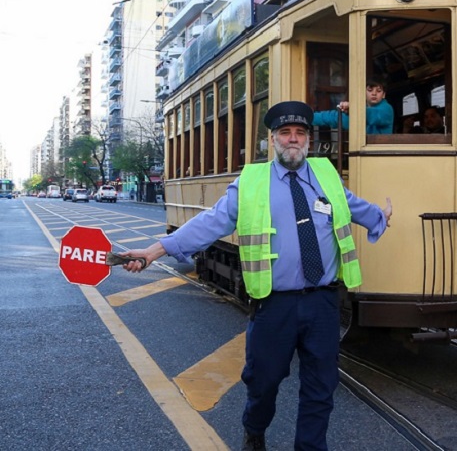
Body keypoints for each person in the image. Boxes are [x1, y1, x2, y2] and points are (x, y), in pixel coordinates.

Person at [119, 101, 393, 451]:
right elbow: (209, 223)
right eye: (285, 133)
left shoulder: (327, 177)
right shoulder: (251, 182)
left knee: (321, 387)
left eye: (299, 133)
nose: (293, 139)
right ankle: (254, 429)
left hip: (323, 302)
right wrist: (153, 251)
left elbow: (354, 207)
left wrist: (380, 217)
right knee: (263, 382)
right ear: (273, 140)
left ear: (308, 139)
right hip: (274, 305)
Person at [312, 78, 393, 134]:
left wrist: (353, 108)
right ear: (363, 92)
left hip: (381, 154)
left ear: (384, 95)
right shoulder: (358, 112)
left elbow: (373, 115)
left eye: (378, 91)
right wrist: (308, 117)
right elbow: (334, 117)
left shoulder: (387, 109)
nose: (374, 93)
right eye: (370, 90)